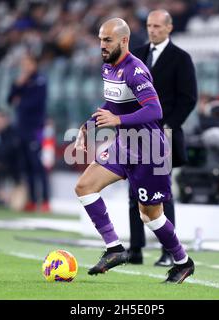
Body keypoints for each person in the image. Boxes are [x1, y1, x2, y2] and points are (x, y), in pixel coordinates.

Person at [74, 18, 194, 283]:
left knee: (150, 216)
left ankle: (183, 261)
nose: (102, 45)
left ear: (124, 40)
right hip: (124, 145)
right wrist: (89, 125)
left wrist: (117, 121)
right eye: (100, 39)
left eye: (108, 40)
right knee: (84, 187)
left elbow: (155, 110)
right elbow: (112, 103)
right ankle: (114, 249)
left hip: (150, 150)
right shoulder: (109, 68)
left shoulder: (135, 70)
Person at [128, 9, 197, 266]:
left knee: (162, 194)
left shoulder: (181, 58)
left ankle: (169, 251)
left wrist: (168, 126)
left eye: (157, 26)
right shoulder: (137, 54)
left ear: (169, 28)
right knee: (134, 192)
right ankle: (135, 249)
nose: (152, 30)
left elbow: (188, 98)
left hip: (163, 136)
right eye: (149, 25)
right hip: (135, 134)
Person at [8, 53, 50, 213]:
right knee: (26, 166)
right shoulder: (22, 82)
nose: (25, 67)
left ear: (34, 64)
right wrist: (18, 86)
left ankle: (45, 200)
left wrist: (21, 99)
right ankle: (32, 200)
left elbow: (34, 103)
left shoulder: (40, 81)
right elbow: (10, 99)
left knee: (37, 165)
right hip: (22, 129)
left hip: (35, 129)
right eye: (23, 64)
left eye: (28, 63)